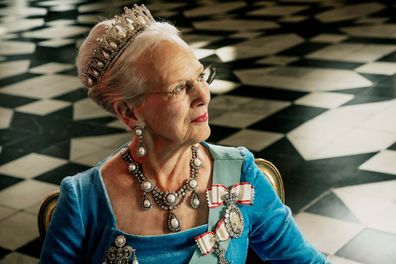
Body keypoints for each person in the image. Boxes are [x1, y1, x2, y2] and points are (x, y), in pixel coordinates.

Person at [40, 4, 330, 264]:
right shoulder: (84, 201)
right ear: (129, 112)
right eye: (179, 87)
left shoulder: (240, 174)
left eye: (201, 76)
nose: (203, 95)